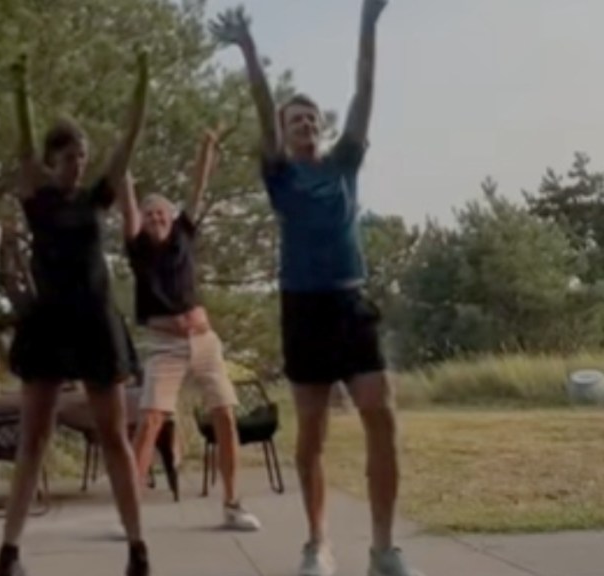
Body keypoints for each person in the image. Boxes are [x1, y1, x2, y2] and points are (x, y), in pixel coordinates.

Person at [213, 2, 422, 576]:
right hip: (301, 308)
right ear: (283, 135)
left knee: (382, 412)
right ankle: (317, 543)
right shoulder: (281, 174)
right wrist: (250, 50)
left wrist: (367, 21)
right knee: (312, 435)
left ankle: (383, 550)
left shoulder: (344, 164)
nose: (304, 126)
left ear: (321, 129)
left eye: (310, 120)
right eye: (294, 121)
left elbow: (364, 88)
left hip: (351, 302)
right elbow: (260, 105)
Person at [0, 50, 151, 576]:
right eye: (68, 156)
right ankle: (9, 551)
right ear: (52, 159)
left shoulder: (95, 199)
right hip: (48, 324)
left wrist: (143, 84)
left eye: (82, 156)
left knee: (114, 437)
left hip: (93, 323)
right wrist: (19, 91)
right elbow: (21, 146)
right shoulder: (38, 198)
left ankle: (137, 548)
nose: (78, 163)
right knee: (34, 438)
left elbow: (126, 144)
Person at [122, 129, 261, 532]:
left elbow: (198, 188)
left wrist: (206, 148)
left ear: (171, 216)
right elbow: (127, 203)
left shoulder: (184, 231)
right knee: (149, 421)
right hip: (165, 347)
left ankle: (233, 504)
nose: (155, 218)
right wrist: (125, 171)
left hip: (203, 342)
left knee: (225, 415)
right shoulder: (138, 249)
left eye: (160, 212)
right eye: (149, 215)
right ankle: (130, 511)